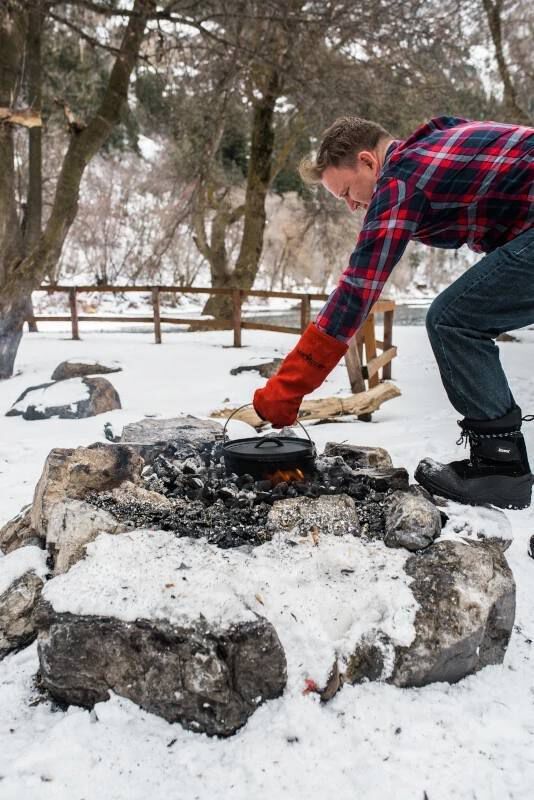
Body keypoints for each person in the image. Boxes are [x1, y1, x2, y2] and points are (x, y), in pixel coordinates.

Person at [253, 115, 534, 509]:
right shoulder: (429, 146)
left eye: (348, 191)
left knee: (454, 320)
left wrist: (288, 387)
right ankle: (502, 466)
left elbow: (357, 292)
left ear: (368, 162)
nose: (353, 206)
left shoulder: (400, 181)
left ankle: (500, 466)